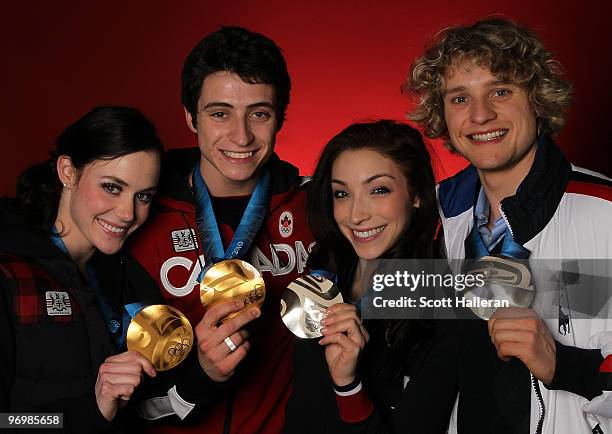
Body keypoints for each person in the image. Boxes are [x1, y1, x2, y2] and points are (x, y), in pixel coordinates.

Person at [405, 17, 612, 433]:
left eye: (501, 91)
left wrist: (566, 365)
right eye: (460, 99)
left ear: (536, 99)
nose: (481, 115)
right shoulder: (439, 216)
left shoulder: (604, 211)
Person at [125, 26, 315, 433]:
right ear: (190, 117)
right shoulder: (136, 216)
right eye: (219, 113)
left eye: (259, 114)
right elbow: (120, 403)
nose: (241, 135)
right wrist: (201, 377)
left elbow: (403, 275)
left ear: (280, 116)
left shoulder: (319, 206)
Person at [284, 120, 459, 434]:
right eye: (342, 193)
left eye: (379, 190)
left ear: (417, 194)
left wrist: (347, 385)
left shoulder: (439, 304)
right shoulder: (324, 265)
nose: (355, 215)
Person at [0, 106, 164, 432]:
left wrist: (204, 369)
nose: (127, 213)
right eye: (112, 187)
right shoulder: (9, 273)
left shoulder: (127, 274)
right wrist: (92, 409)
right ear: (68, 172)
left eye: (143, 196)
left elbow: (152, 407)